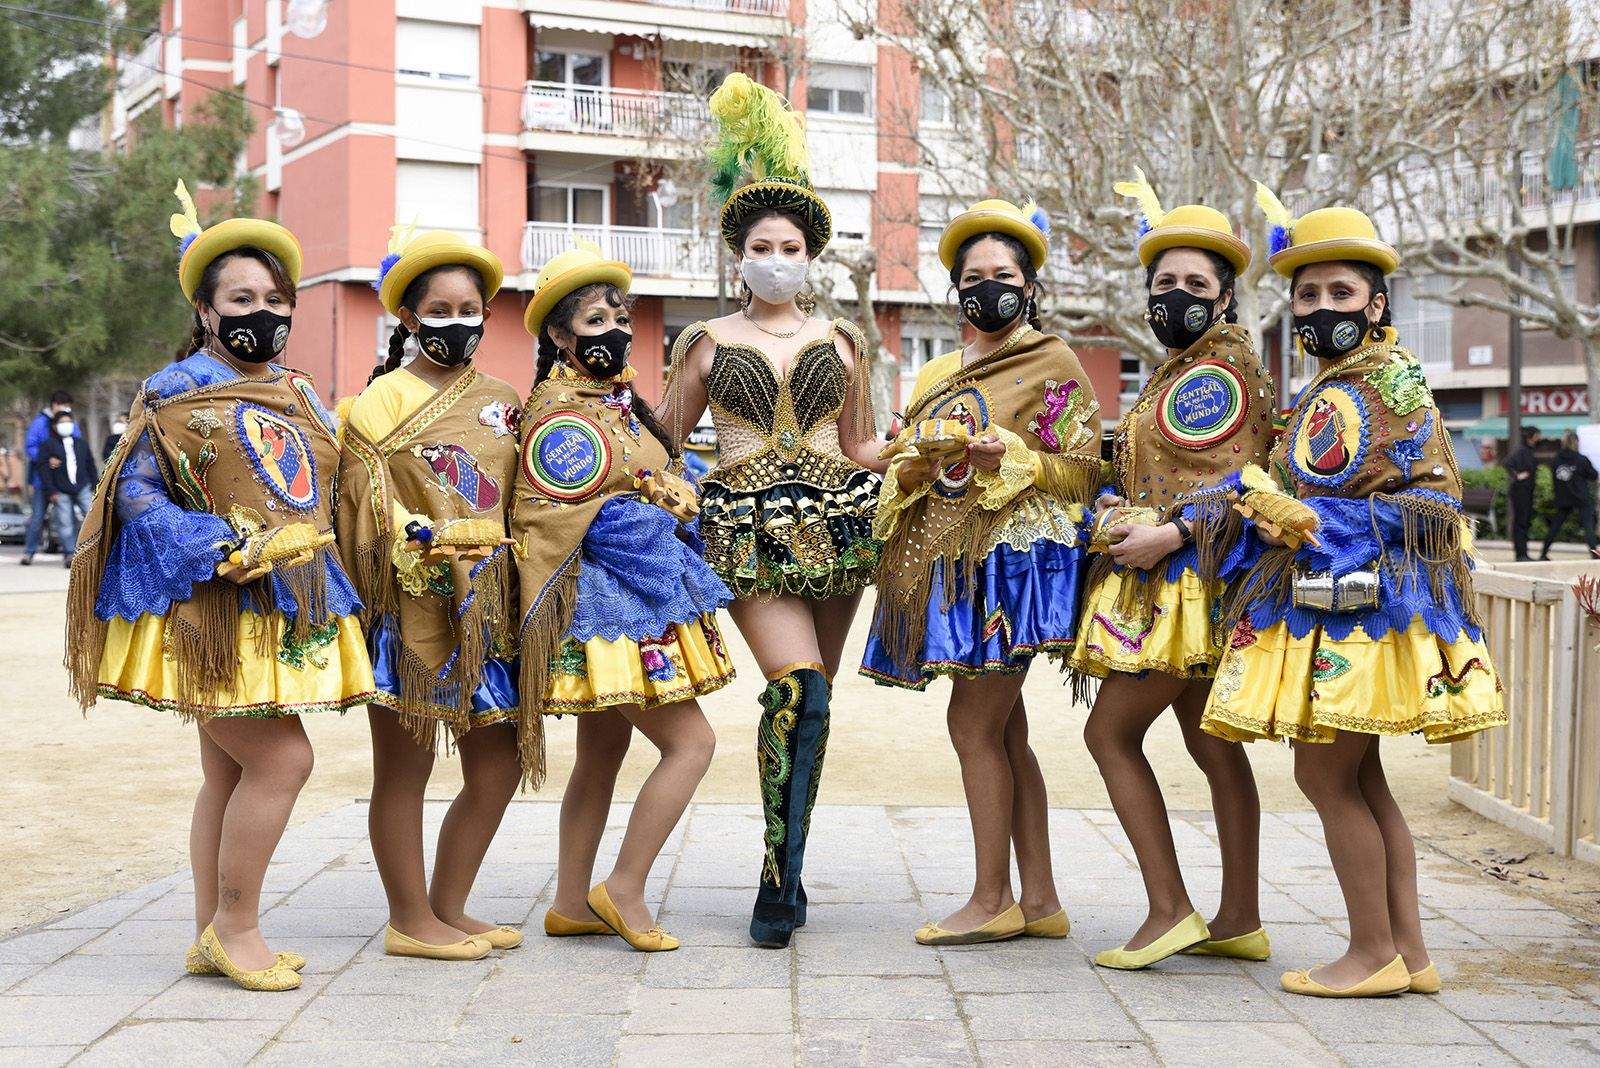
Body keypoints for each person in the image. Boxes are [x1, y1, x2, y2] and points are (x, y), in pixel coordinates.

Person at [64, 182, 374, 992]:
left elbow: (327, 488)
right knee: (283, 763)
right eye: (242, 298)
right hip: (211, 606)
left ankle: (214, 931)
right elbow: (131, 494)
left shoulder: (303, 391)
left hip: (284, 603)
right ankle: (237, 927)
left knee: (232, 773)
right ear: (205, 310)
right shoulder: (173, 390)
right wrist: (217, 542)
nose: (262, 313)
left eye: (276, 299)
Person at [1203, 197, 1506, 998]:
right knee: (1362, 782)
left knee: (1326, 781)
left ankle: (1371, 952)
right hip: (1327, 608)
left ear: (1376, 305)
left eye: (1341, 294)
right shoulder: (1321, 393)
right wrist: (1267, 516)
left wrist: (1318, 520)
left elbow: (1439, 507)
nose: (1322, 309)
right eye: (1307, 295)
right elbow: (1281, 491)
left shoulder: (1394, 384)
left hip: (1369, 619)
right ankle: (1408, 953)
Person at [658, 73, 885, 948]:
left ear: (812, 254)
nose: (778, 256)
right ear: (740, 251)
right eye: (764, 243)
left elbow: (861, 443)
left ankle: (790, 866)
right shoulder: (706, 341)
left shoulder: (843, 339)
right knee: (795, 692)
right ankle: (774, 883)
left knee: (817, 706)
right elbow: (668, 439)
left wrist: (927, 449)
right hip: (747, 526)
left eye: (792, 245)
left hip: (843, 523)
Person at [864, 199, 1102, 946]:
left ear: (1029, 287)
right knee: (1005, 733)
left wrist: (1015, 456)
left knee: (972, 723)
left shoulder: (1055, 361)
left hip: (1013, 566)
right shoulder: (939, 368)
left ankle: (989, 897)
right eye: (974, 277)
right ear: (956, 289)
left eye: (1003, 275)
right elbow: (908, 457)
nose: (988, 287)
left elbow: (1087, 471)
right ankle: (1039, 899)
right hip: (948, 559)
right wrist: (907, 464)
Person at [1064, 175, 1277, 969]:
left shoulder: (1216, 374)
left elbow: (1242, 478)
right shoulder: (1184, 368)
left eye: (1195, 284)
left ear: (1223, 299)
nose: (1176, 296)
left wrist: (1171, 531)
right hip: (1194, 578)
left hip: (1185, 581)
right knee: (1211, 744)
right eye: (1164, 284)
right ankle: (1240, 917)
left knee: (1108, 732)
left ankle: (1169, 909)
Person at [516, 244, 732, 952]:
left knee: (602, 751)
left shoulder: (611, 404)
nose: (612, 330)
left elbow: (650, 472)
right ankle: (626, 886)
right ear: (558, 335)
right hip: (612, 611)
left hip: (632, 602)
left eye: (618, 317)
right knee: (692, 744)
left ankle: (573, 900)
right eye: (595, 318)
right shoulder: (559, 415)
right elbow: (569, 517)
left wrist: (676, 488)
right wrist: (666, 510)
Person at [334, 227, 523, 961]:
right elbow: (359, 502)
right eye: (437, 310)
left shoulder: (505, 400)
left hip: (489, 609)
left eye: (469, 308)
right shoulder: (380, 402)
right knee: (404, 771)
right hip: (409, 609)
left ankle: (449, 904)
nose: (457, 322)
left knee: (498, 764)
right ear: (408, 319)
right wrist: (423, 544)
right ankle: (409, 919)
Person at [37, 407, 98, 567]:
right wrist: (51, 490)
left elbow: (90, 464)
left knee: (93, 518)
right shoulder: (48, 445)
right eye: (62, 422)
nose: (66, 425)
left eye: (69, 422)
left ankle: (96, 551)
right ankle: (69, 554)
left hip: (83, 486)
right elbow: (43, 469)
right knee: (65, 522)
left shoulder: (81, 443)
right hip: (60, 489)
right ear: (55, 426)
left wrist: (95, 484)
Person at [21, 390, 75, 565]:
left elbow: (77, 445)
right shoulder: (39, 423)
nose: (64, 408)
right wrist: (46, 458)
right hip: (42, 479)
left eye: (67, 405)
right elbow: (30, 446)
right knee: (37, 517)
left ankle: (70, 553)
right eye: (62, 404)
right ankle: (29, 552)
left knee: (66, 518)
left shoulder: (71, 422)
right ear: (53, 404)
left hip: (63, 480)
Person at [1541, 430, 1598, 559]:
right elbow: (1593, 475)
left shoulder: (1556, 459)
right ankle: (1595, 555)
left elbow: (1554, 478)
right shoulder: (1581, 459)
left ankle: (1543, 553)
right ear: (1576, 442)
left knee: (1555, 526)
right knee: (1588, 526)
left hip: (1563, 497)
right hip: (1581, 497)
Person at [1503, 424, 1541, 561]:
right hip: (1520, 491)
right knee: (1521, 521)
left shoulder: (1529, 450)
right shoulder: (1521, 451)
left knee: (1524, 521)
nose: (1539, 438)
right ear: (1531, 437)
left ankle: (1523, 552)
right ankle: (1521, 553)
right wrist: (1517, 475)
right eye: (1537, 435)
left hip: (1527, 490)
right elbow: (1507, 463)